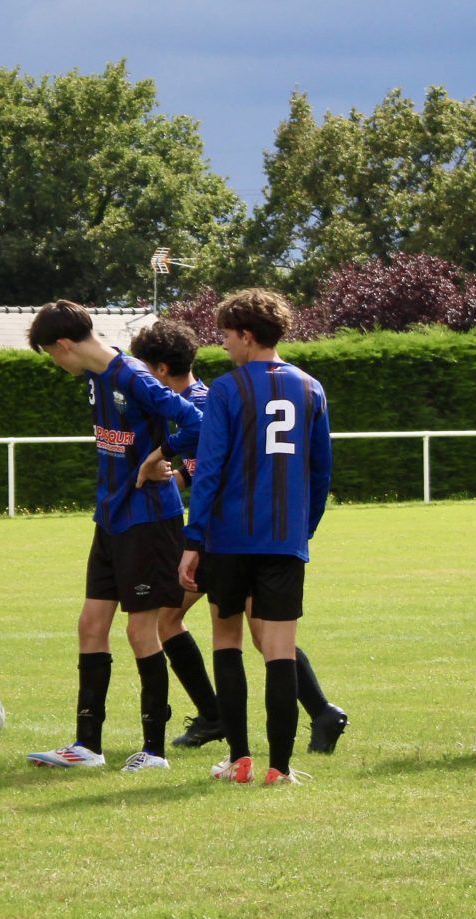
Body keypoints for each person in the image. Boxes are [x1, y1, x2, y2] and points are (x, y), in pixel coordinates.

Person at [129, 319, 350, 755]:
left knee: (184, 621)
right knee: (264, 635)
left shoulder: (205, 399)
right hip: (269, 534)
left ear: (159, 368)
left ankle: (221, 722)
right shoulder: (298, 386)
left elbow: (212, 463)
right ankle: (312, 718)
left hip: (228, 533)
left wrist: (162, 460)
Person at [23, 300, 204, 771]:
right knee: (90, 625)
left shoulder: (135, 376)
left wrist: (161, 454)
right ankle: (87, 746)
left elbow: (196, 420)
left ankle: (154, 751)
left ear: (65, 345)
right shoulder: (94, 376)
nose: (56, 363)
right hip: (110, 517)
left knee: (140, 630)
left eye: (52, 354)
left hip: (148, 520)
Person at [177, 289, 332, 786]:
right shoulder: (311, 388)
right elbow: (321, 472)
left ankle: (239, 760)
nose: (223, 344)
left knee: (227, 641)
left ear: (246, 335)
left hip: (227, 539)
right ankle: (279, 768)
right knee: (280, 650)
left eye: (225, 335)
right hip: (284, 541)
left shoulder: (226, 390)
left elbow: (209, 471)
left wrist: (193, 540)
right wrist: (302, 531)